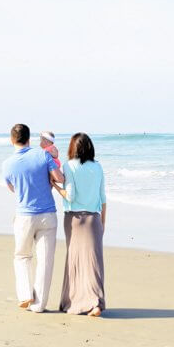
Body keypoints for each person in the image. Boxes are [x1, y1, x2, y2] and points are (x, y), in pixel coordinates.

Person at [2, 124, 64, 313]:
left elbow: (13, 189)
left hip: (24, 216)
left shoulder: (7, 164)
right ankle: (39, 305)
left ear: (12, 140)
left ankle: (25, 294)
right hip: (47, 215)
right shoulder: (43, 155)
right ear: (29, 139)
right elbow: (59, 178)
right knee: (45, 260)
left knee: (22, 256)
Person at [59, 132, 107, 317]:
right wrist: (103, 222)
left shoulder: (69, 166)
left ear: (73, 147)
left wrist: (56, 187)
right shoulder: (98, 167)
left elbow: (69, 195)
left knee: (75, 261)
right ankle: (96, 303)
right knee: (94, 264)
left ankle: (73, 302)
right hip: (94, 219)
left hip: (73, 219)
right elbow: (103, 197)